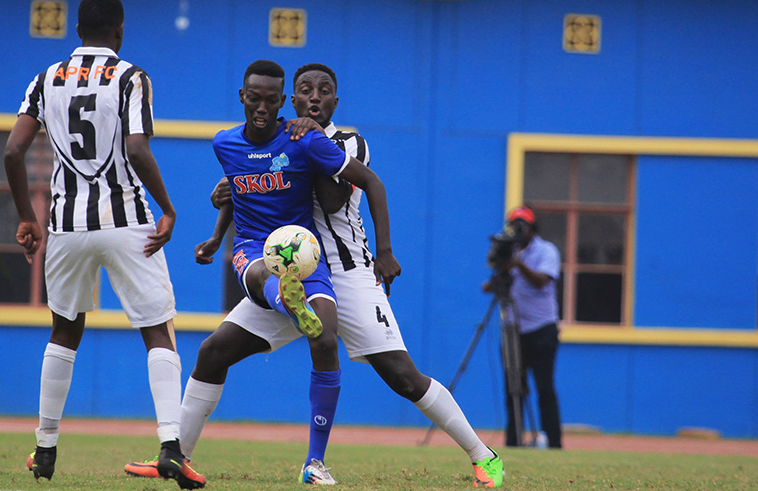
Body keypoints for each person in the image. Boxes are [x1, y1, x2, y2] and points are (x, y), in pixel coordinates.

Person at [126, 63, 502, 488]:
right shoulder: (281, 136)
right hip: (288, 272)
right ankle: (176, 457)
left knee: (402, 374)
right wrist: (220, 213)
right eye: (306, 91)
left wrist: (385, 251)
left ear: (334, 102)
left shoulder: (345, 141)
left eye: (324, 92)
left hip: (345, 272)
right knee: (214, 350)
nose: (315, 98)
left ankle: (482, 455)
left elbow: (332, 194)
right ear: (294, 99)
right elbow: (252, 177)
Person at [2, 1, 204, 487]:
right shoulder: (131, 76)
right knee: (157, 329)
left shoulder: (45, 78)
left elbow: (12, 151)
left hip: (66, 225)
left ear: (76, 29)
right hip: (128, 219)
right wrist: (169, 209)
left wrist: (29, 218)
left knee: (64, 330)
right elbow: (136, 148)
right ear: (119, 31)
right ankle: (171, 447)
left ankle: (45, 450)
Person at [492, 205, 563, 449]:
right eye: (515, 224)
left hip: (542, 329)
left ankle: (554, 444)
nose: (518, 230)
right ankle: (513, 443)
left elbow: (542, 280)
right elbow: (493, 274)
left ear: (533, 227)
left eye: (523, 225)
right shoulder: (509, 249)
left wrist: (517, 264)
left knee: (545, 387)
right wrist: (502, 258)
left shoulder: (546, 250)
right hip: (513, 330)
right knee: (514, 388)